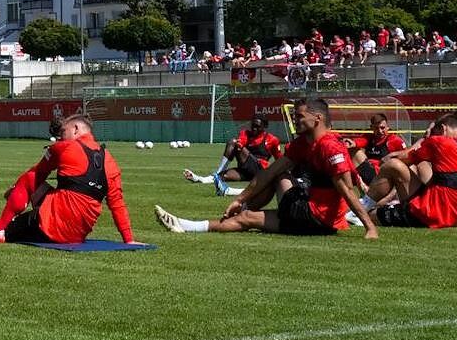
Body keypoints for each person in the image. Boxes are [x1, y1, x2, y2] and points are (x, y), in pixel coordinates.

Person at [156, 97, 377, 238]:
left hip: (314, 217)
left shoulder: (330, 147)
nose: (295, 120)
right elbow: (268, 173)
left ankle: (237, 208)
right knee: (247, 218)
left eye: (299, 116)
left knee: (277, 174)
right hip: (310, 216)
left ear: (317, 118)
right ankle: (185, 225)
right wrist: (240, 200)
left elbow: (346, 189)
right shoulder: (303, 143)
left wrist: (370, 227)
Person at [0, 112, 133, 244]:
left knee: (29, 178)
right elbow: (117, 203)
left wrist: (16, 193)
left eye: (63, 132)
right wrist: (129, 240)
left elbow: (35, 175)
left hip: (52, 226)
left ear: (76, 129)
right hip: (78, 235)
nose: (60, 137)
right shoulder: (110, 161)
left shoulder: (64, 147)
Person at [185, 112, 282, 196]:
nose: (254, 129)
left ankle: (217, 174)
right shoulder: (245, 133)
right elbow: (241, 141)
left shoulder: (272, 139)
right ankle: (200, 179)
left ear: (264, 126)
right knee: (223, 177)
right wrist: (239, 144)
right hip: (245, 171)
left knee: (233, 142)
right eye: (253, 125)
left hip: (259, 170)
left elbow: (280, 159)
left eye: (257, 126)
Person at [349, 113, 407, 188]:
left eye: (382, 128)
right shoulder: (369, 138)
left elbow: (406, 153)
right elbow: (360, 141)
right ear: (371, 128)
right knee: (353, 150)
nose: (380, 131)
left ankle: (364, 187)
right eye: (376, 128)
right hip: (370, 173)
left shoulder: (394, 140)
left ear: (388, 127)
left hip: (384, 176)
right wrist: (353, 143)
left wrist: (392, 155)